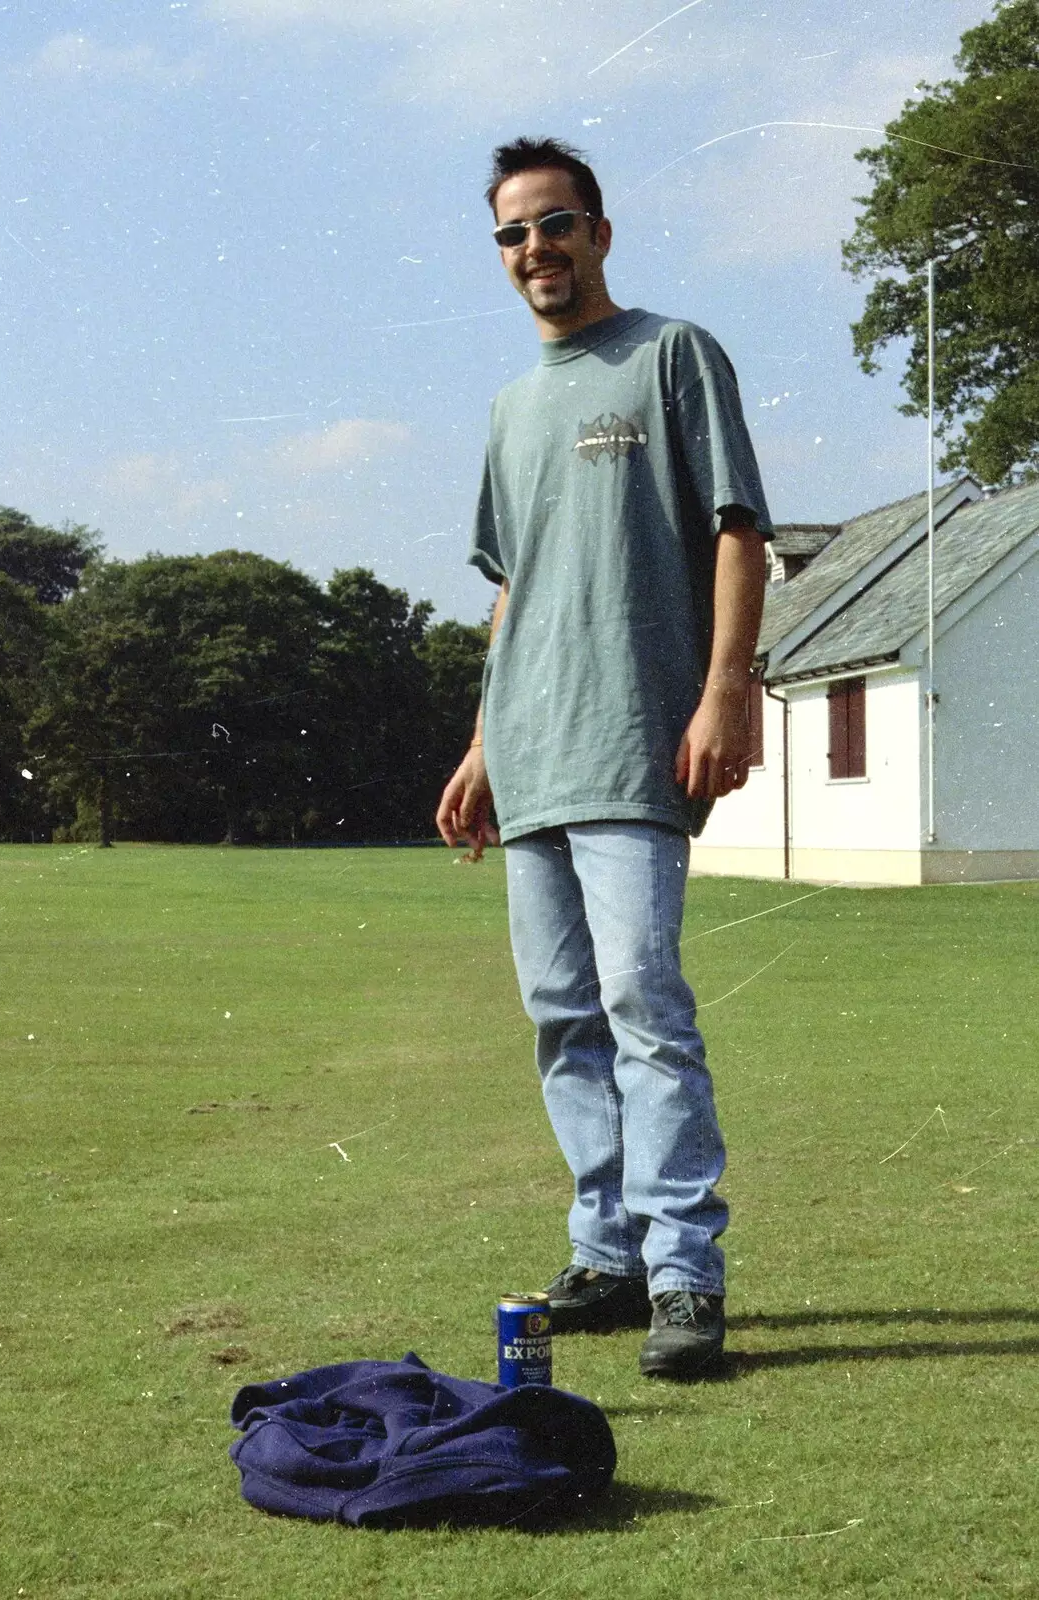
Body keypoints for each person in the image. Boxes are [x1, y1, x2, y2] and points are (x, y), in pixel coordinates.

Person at [436, 138, 771, 1379]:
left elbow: (738, 530)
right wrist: (480, 741)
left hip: (635, 741)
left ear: (600, 233)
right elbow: (514, 586)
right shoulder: (508, 410)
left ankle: (686, 1274)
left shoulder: (671, 353)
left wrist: (723, 688)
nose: (536, 250)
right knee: (563, 1019)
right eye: (514, 234)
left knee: (643, 1007)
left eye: (556, 224)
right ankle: (610, 1256)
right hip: (529, 753)